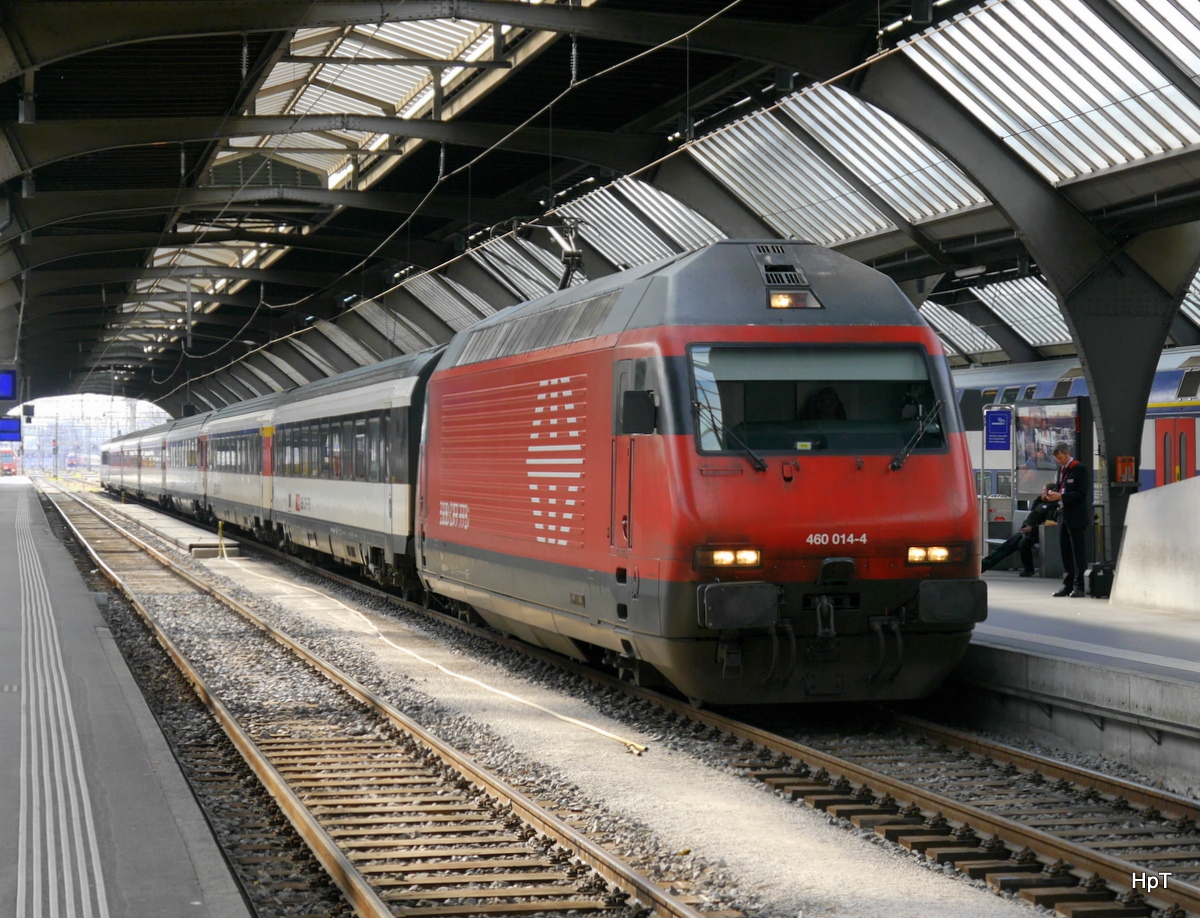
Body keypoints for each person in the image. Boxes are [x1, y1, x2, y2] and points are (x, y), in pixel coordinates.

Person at [1042, 441, 1091, 597]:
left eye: (1061, 458)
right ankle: (1067, 585)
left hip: (1076, 515)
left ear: (1068, 454)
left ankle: (1080, 586)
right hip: (1062, 514)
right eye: (1057, 459)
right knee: (1065, 551)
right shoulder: (1061, 470)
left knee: (1077, 552)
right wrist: (1052, 494)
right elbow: (1059, 487)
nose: (1060, 461)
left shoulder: (1080, 469)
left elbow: (1081, 493)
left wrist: (1062, 496)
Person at [981, 497, 1054, 576]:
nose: (1044, 493)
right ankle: (983, 565)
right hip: (1025, 532)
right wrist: (1040, 498)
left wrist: (1032, 529)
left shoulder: (1052, 507)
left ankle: (1028, 569)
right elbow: (1033, 509)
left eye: (1046, 491)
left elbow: (1049, 525)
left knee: (1022, 544)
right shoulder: (1041, 504)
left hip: (1037, 534)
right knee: (1004, 547)